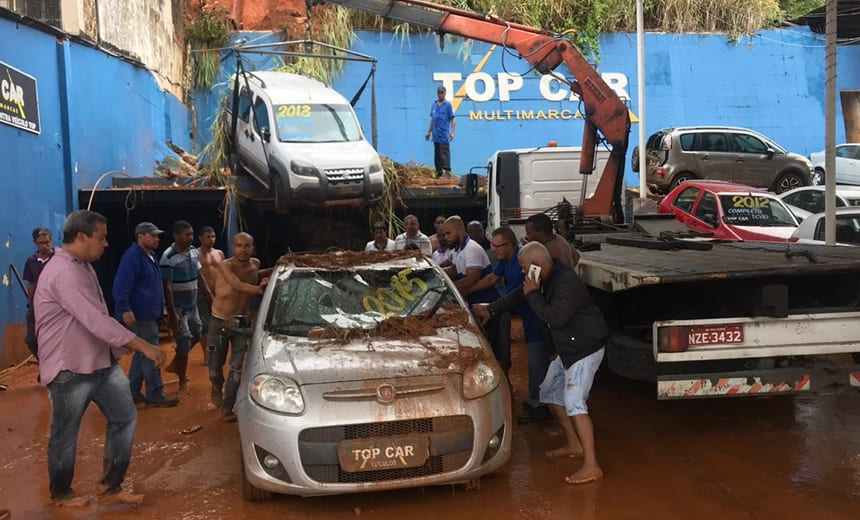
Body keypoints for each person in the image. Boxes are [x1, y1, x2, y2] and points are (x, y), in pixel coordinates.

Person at [34, 210, 166, 506]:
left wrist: (118, 350)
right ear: (81, 237)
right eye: (101, 237)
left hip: (101, 363)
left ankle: (111, 485)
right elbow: (96, 320)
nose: (106, 244)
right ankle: (61, 493)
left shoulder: (83, 266)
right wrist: (145, 347)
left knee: (125, 416)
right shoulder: (63, 272)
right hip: (70, 368)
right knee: (65, 433)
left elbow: (98, 318)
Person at [472, 242, 608, 485]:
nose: (523, 273)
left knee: (575, 403)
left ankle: (592, 465)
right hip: (566, 349)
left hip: (584, 349)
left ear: (537, 265)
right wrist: (491, 309)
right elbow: (518, 295)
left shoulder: (565, 283)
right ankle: (574, 443)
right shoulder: (542, 276)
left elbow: (555, 317)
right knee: (549, 393)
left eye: (524, 269)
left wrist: (533, 294)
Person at [462, 227, 553, 423]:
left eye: (497, 246)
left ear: (510, 245)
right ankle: (539, 402)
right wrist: (467, 290)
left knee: (536, 362)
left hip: (535, 317)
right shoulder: (505, 260)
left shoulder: (524, 260)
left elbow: (520, 294)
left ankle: (540, 407)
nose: (493, 249)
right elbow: (491, 278)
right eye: (492, 245)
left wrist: (493, 308)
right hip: (523, 314)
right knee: (534, 360)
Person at [112, 222, 178, 408]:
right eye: (153, 235)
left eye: (157, 236)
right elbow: (121, 286)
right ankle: (155, 393)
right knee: (151, 353)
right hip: (139, 315)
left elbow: (154, 285)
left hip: (149, 313)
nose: (157, 239)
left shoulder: (151, 256)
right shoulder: (132, 258)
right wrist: (125, 309)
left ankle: (131, 392)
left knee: (143, 353)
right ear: (141, 236)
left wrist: (162, 307)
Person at [208, 233, 268, 422]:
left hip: (242, 323)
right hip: (219, 321)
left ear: (253, 248)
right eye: (239, 245)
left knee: (236, 367)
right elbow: (237, 284)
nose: (243, 249)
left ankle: (227, 407)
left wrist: (280, 266)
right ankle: (216, 385)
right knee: (215, 367)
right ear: (233, 248)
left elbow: (254, 275)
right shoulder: (225, 265)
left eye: (247, 246)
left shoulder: (255, 264)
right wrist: (260, 289)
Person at [161, 220, 203, 396]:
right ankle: (181, 381)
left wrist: (209, 296)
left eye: (192, 234)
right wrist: (172, 314)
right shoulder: (168, 257)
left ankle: (177, 361)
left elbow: (200, 276)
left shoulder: (194, 251)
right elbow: (167, 286)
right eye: (186, 234)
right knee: (184, 339)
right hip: (178, 308)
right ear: (176, 236)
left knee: (198, 333)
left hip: (193, 305)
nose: (190, 237)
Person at [442, 216, 499, 306]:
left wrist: (449, 287)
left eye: (448, 233)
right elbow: (454, 270)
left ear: (459, 231)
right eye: (444, 234)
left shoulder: (471, 248)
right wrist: (435, 273)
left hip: (486, 302)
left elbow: (472, 278)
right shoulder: (458, 249)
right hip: (474, 301)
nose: (445, 237)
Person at [23, 227, 55, 360]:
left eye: (47, 242)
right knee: (31, 340)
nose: (44, 246)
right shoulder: (31, 261)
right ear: (35, 243)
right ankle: (45, 363)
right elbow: (31, 284)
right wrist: (31, 303)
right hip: (37, 306)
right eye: (41, 243)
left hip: (55, 307)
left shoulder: (58, 259)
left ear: (51, 241)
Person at [197, 226, 224, 365]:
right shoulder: (195, 254)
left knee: (218, 322)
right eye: (208, 237)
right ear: (200, 238)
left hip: (217, 292)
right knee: (204, 324)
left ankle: (216, 351)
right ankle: (206, 353)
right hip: (201, 292)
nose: (211, 239)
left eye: (213, 236)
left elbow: (224, 272)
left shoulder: (219, 253)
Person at [425, 85, 455, 178]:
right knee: (437, 155)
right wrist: (429, 132)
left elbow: (453, 120)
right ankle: (439, 172)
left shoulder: (448, 105)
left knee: (444, 153)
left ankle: (447, 172)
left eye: (442, 92)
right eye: (439, 92)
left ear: (445, 93)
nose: (440, 94)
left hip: (443, 134)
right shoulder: (434, 105)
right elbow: (433, 120)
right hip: (435, 135)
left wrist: (452, 132)